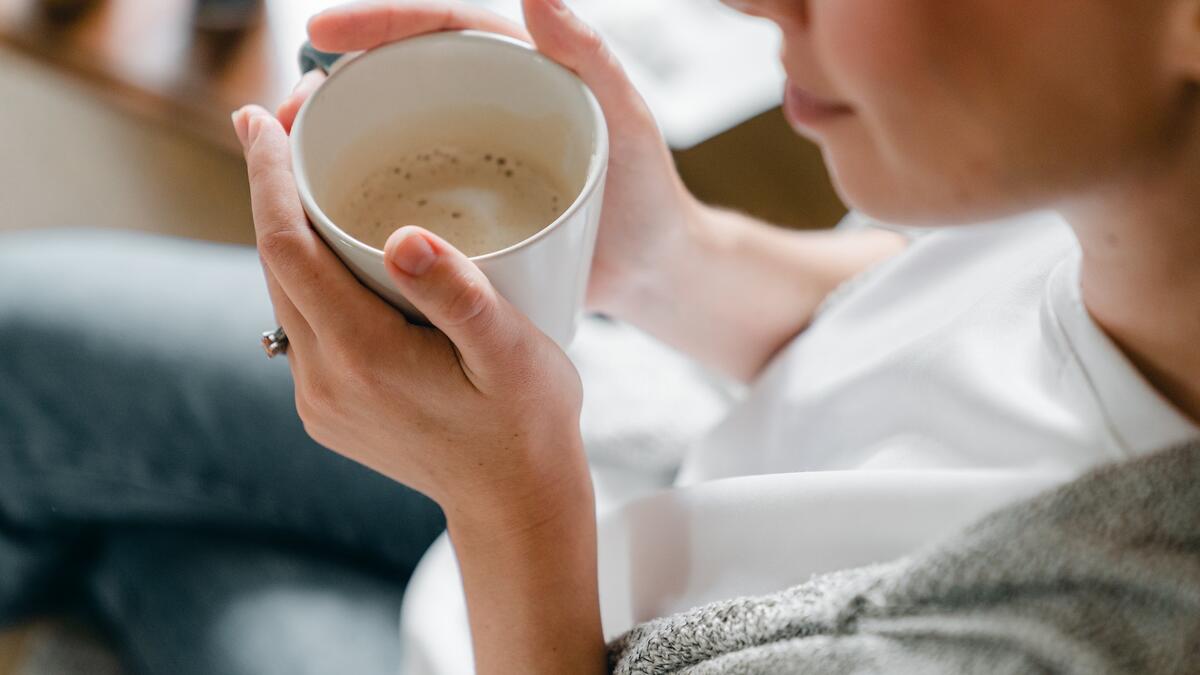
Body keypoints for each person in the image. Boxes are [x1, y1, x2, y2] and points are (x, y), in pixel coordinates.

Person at [2, 0, 1198, 673]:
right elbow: (925, 319)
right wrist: (664, 258)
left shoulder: (1093, 635)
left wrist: (506, 503)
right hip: (636, 448)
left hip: (532, 595)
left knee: (150, 559)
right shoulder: (1108, 188)